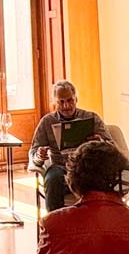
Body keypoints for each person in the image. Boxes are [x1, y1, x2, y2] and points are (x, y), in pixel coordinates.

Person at [29, 80, 113, 212]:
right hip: (60, 168)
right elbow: (33, 152)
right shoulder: (47, 122)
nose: (66, 105)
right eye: (61, 102)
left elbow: (112, 148)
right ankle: (54, 225)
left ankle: (97, 222)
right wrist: (39, 156)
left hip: (87, 167)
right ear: (54, 103)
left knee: (100, 179)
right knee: (52, 179)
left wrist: (101, 142)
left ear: (76, 99)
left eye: (70, 100)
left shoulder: (92, 118)